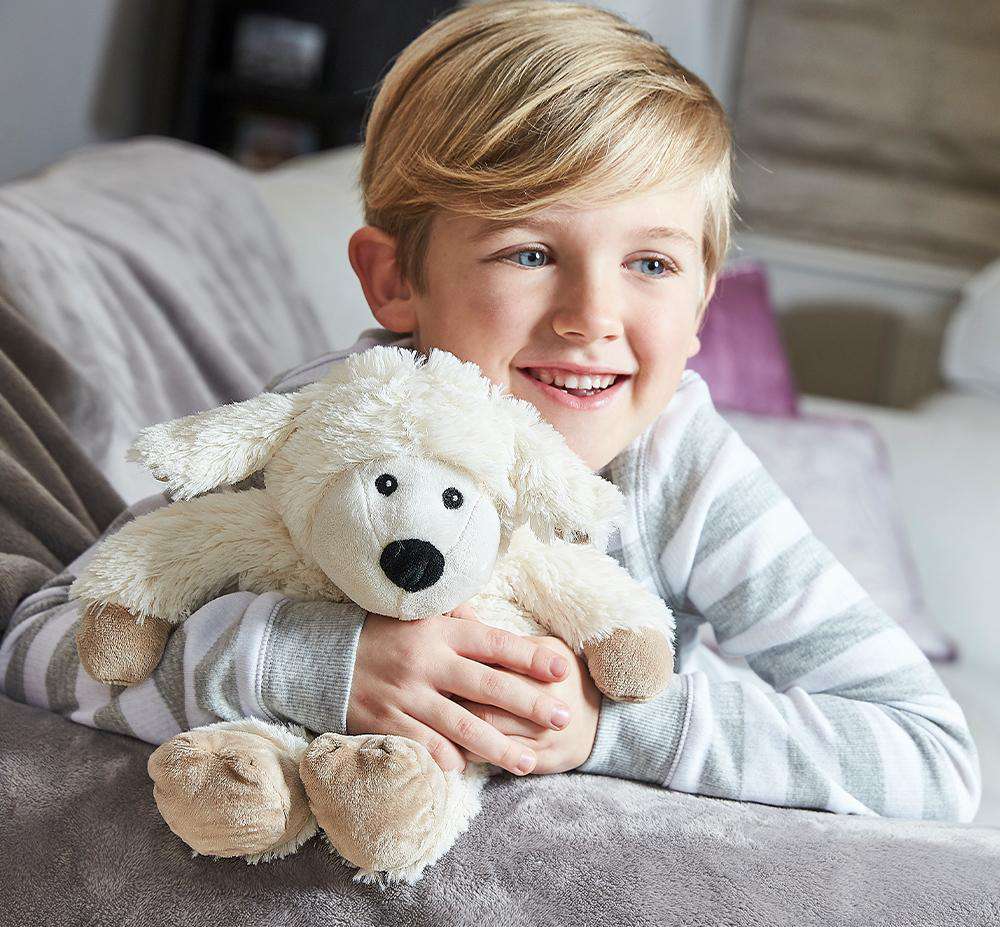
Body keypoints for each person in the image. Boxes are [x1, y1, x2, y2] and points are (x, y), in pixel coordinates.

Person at [0, 0, 979, 822]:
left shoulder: (684, 467)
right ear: (395, 281)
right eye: (530, 253)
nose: (592, 316)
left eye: (650, 263)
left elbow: (930, 756)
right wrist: (312, 664)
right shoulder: (328, 427)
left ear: (699, 307)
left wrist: (606, 726)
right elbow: (36, 646)